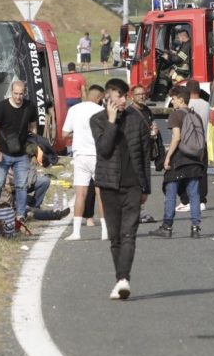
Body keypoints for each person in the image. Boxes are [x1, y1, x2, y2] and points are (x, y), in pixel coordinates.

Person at [91, 78, 152, 300]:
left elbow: (145, 155)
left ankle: (124, 278)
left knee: (129, 234)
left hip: (133, 186)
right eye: (119, 96)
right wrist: (111, 121)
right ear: (108, 98)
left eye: (125, 95)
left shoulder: (137, 119)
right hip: (108, 186)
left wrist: (146, 187)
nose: (124, 100)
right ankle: (120, 280)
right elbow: (104, 149)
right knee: (115, 237)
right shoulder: (96, 120)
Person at [155, 87, 207, 238]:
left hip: (179, 160)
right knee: (194, 195)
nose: (172, 101)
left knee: (171, 192)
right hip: (194, 160)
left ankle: (167, 226)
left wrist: (168, 157)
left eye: (174, 98)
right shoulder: (194, 115)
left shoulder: (176, 115)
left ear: (181, 99)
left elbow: (176, 138)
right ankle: (195, 227)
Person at [61, 84, 106, 241]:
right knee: (101, 192)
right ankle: (105, 231)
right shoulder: (101, 111)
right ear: (99, 97)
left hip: (80, 155)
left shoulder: (74, 110)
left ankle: (76, 232)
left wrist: (77, 132)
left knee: (80, 194)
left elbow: (64, 133)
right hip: (97, 155)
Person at [0, 80, 39, 221]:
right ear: (11, 92)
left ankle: (20, 215)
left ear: (25, 92)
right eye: (15, 94)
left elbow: (33, 128)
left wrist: (33, 148)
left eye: (21, 94)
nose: (18, 97)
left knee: (22, 186)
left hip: (22, 154)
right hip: (3, 153)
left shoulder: (30, 106)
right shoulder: (2, 107)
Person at [177, 80, 212, 212]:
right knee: (202, 172)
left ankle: (186, 199)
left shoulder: (185, 105)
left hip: (187, 143)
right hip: (201, 142)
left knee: (185, 171)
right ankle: (202, 199)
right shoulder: (206, 104)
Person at [130, 85, 161, 224]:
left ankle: (140, 211)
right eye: (138, 94)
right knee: (137, 184)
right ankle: (134, 213)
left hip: (146, 152)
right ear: (132, 96)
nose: (142, 96)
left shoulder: (147, 110)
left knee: (145, 186)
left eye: (143, 94)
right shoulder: (129, 112)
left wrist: (154, 132)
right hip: (133, 154)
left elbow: (152, 126)